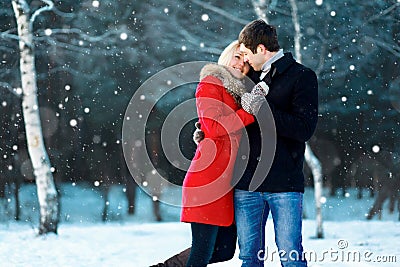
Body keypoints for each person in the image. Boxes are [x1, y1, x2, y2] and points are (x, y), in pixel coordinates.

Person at [150, 40, 256, 267]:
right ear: (227, 55)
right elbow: (214, 128)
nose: (241, 65)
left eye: (246, 62)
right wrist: (248, 114)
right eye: (237, 57)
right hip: (208, 180)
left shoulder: (238, 92)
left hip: (229, 183)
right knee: (202, 252)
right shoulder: (211, 83)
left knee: (224, 251)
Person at [232, 19, 319, 267]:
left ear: (261, 49)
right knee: (249, 258)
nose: (244, 60)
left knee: (291, 257)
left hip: (284, 183)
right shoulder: (247, 77)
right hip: (247, 183)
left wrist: (262, 109)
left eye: (247, 53)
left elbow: (304, 129)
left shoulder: (302, 76)